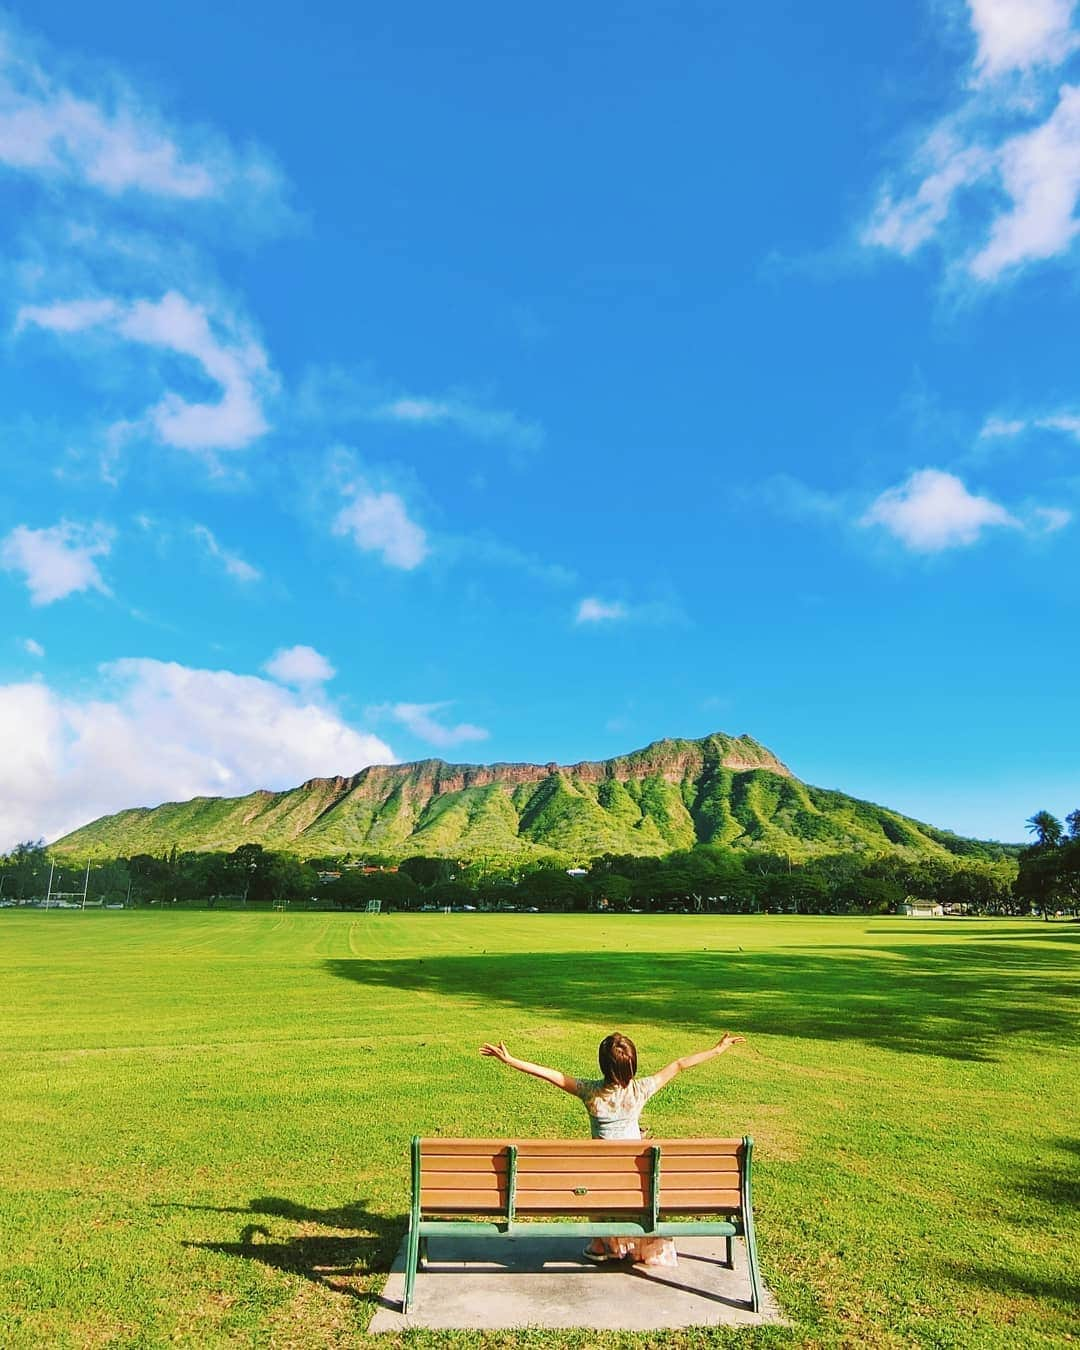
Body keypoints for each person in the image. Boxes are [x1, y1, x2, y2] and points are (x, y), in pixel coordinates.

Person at [479, 1030, 745, 1267]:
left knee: (596, 1180)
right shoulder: (640, 1091)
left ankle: (601, 1245)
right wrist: (718, 1049)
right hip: (636, 1187)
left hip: (603, 1188)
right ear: (632, 1066)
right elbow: (678, 1065)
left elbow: (552, 1075)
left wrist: (510, 1060)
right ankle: (638, 1245)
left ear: (604, 1066)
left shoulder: (590, 1093)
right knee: (637, 1179)